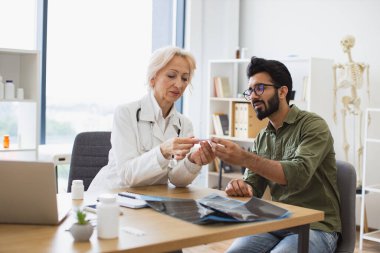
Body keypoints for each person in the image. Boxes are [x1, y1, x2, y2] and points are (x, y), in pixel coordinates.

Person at [211, 57, 341, 253]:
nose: (253, 96)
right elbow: (253, 185)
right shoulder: (262, 137)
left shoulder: (313, 125)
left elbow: (297, 174)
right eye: (250, 91)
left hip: (317, 226)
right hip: (278, 221)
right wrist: (240, 186)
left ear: (282, 91)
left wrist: (244, 158)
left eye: (260, 88)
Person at [88, 46, 214, 193]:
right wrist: (163, 151)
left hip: (152, 199)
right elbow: (127, 175)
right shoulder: (125, 113)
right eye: (171, 75)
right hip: (113, 196)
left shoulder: (184, 124)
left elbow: (176, 179)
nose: (179, 84)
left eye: (185, 78)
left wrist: (193, 161)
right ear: (153, 78)